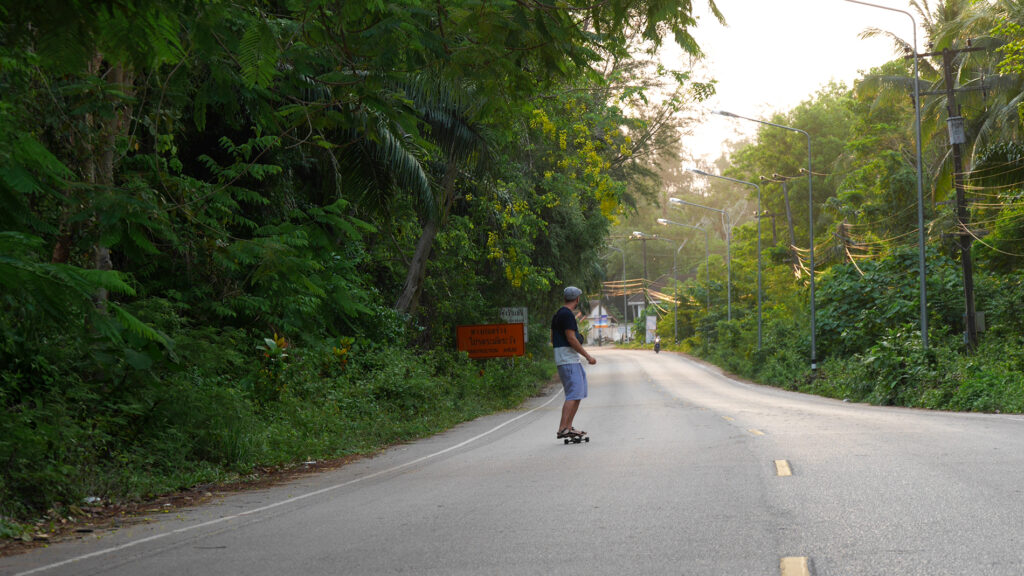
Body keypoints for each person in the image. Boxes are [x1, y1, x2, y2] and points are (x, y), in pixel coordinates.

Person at [551, 286, 596, 439]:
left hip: (567, 359)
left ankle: (568, 427)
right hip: (568, 360)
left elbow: (553, 338)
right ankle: (562, 428)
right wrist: (588, 357)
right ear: (577, 299)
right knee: (572, 394)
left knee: (577, 393)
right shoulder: (568, 315)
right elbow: (571, 338)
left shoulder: (557, 314)